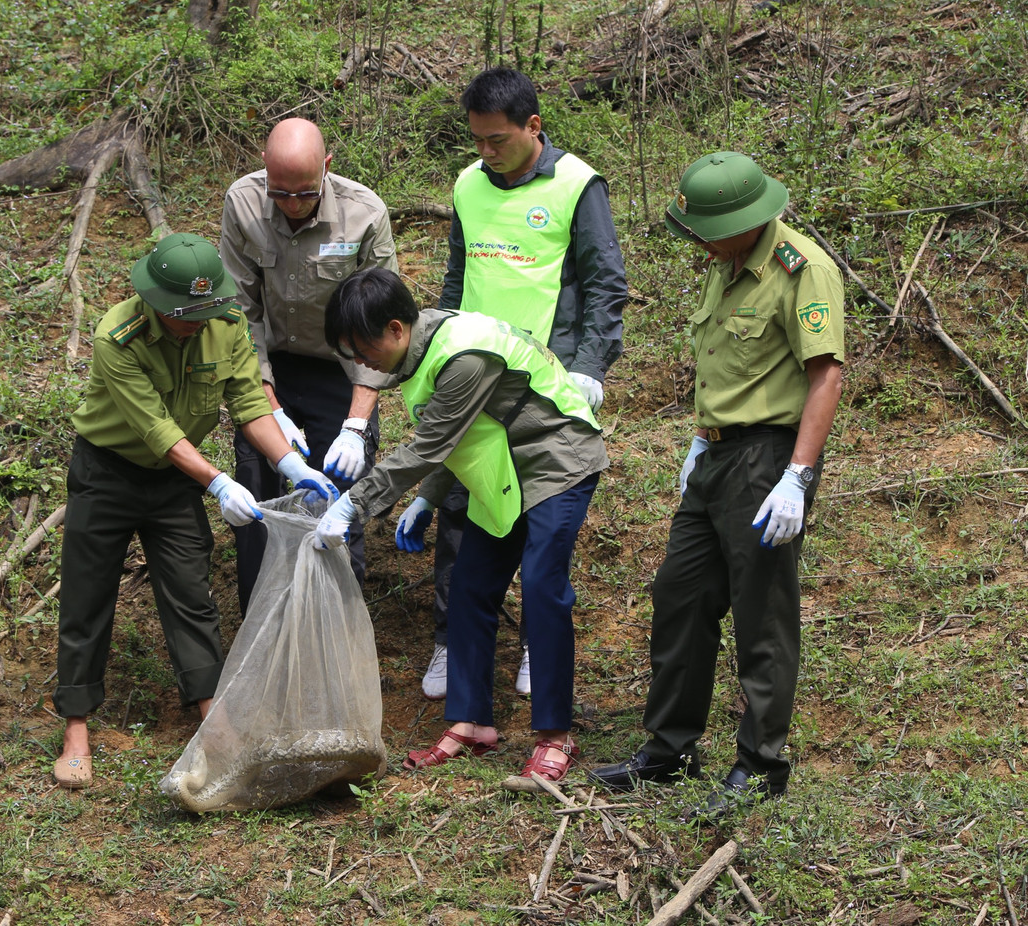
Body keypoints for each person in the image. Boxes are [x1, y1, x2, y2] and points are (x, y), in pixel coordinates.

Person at [586, 152, 844, 822]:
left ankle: (762, 765)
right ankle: (671, 748)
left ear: (744, 221)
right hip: (716, 457)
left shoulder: (801, 269)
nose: (696, 240)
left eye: (706, 229)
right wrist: (701, 440)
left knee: (763, 613)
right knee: (680, 593)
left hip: (767, 462)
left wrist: (798, 475)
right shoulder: (724, 266)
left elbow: (826, 376)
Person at [52, 233, 339, 789]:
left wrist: (290, 465)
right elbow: (155, 427)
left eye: (203, 312)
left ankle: (214, 719)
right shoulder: (118, 334)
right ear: (156, 301)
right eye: (186, 314)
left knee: (191, 593)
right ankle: (77, 729)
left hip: (177, 483)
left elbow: (248, 403)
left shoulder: (226, 326)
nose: (195, 323)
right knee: (87, 595)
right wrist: (219, 483)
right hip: (108, 472)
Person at [314, 267, 607, 792]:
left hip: (558, 460)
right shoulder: (426, 353)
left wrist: (354, 505)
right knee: (469, 586)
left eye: (363, 348)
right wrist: (427, 497)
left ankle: (555, 734)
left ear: (397, 329)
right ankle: (473, 723)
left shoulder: (463, 354)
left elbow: (430, 443)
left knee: (542, 587)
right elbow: (463, 432)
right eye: (349, 352)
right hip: (504, 468)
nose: (361, 362)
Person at [408, 67, 628, 700]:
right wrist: (435, 351)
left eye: (497, 140)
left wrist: (589, 365)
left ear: (534, 127)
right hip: (473, 374)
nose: (485, 153)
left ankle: (535, 645)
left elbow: (605, 283)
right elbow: (456, 277)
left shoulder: (576, 185)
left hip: (544, 380)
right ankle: (452, 642)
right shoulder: (469, 187)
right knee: (461, 505)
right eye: (476, 140)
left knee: (538, 513)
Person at [220, 117, 399, 616]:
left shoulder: (364, 213)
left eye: (305, 193)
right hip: (269, 363)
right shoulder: (242, 202)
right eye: (280, 193)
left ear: (327, 167)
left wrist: (357, 424)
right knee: (258, 491)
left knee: (339, 495)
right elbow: (241, 311)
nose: (293, 205)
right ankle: (263, 617)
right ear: (264, 170)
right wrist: (267, 406)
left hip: (340, 368)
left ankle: (336, 617)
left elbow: (380, 327)